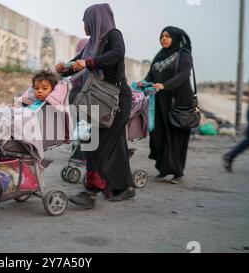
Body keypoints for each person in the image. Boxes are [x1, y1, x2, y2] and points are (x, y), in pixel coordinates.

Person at [55, 3, 135, 209]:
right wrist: (64, 69)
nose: (84, 26)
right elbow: (78, 62)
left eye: (85, 21)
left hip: (115, 99)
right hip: (101, 99)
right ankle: (124, 187)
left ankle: (90, 192)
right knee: (114, 145)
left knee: (96, 144)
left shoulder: (113, 35)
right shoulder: (92, 44)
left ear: (95, 20)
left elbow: (117, 53)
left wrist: (89, 63)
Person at [140, 26, 195, 184]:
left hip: (178, 101)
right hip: (159, 101)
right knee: (158, 135)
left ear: (176, 38)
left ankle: (177, 171)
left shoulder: (183, 54)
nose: (164, 39)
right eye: (162, 36)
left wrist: (165, 85)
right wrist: (143, 83)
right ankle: (163, 168)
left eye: (168, 36)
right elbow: (151, 75)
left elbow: (184, 75)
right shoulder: (159, 55)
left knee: (176, 136)